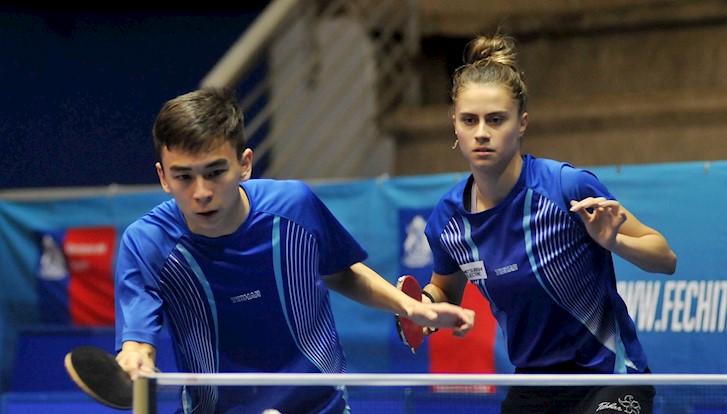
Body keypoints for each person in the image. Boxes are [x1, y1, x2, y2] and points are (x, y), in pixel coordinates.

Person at [113, 87, 475, 414]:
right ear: (163, 177)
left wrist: (411, 307)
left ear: (244, 164)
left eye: (215, 171)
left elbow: (341, 272)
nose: (201, 191)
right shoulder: (147, 244)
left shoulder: (294, 207)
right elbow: (138, 342)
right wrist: (133, 360)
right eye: (184, 176)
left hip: (320, 408)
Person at [420, 33, 677, 414]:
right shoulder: (448, 222)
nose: (482, 133)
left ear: (522, 123)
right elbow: (445, 291)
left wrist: (615, 243)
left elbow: (665, 257)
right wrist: (421, 307)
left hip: (608, 378)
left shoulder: (565, 187)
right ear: (454, 125)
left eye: (496, 119)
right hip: (533, 383)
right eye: (469, 120)